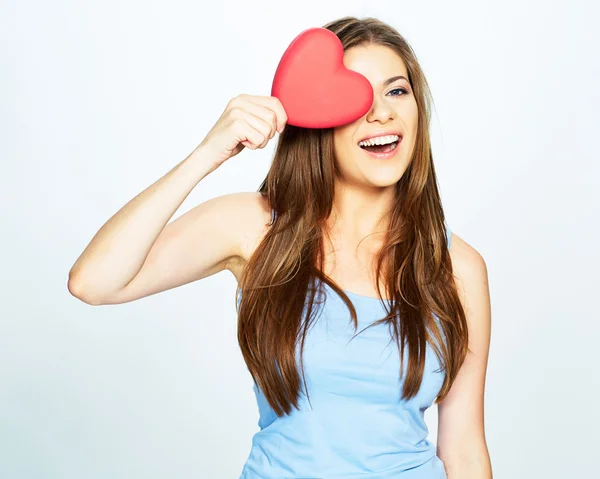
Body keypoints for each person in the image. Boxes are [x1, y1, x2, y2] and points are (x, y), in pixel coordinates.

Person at [68, 15, 492, 479]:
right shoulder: (256, 227)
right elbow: (94, 282)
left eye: (396, 91)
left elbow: (465, 447)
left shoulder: (457, 267)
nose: (382, 113)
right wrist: (207, 154)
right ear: (318, 115)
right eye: (356, 96)